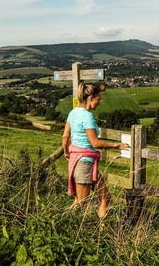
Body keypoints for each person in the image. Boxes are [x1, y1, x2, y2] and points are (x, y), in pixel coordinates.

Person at [62, 83, 129, 218]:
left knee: (105, 197)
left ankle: (102, 228)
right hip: (84, 163)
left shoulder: (73, 112)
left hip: (80, 161)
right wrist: (117, 146)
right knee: (81, 203)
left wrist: (67, 153)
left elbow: (65, 137)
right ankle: (65, 226)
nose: (99, 103)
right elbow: (95, 142)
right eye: (98, 99)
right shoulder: (87, 116)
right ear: (90, 98)